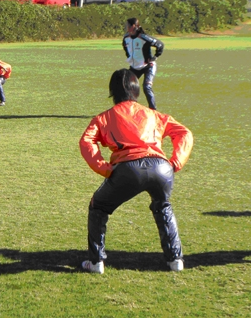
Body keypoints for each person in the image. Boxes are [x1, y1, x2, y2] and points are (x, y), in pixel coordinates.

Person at [79, 69, 193, 274]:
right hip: (161, 168)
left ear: (112, 93)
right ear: (137, 92)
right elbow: (184, 133)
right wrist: (175, 162)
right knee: (163, 206)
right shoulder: (154, 114)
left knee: (98, 206)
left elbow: (87, 141)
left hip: (127, 169)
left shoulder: (104, 118)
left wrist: (103, 167)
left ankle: (96, 261)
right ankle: (175, 260)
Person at [122, 18, 164, 110]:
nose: (126, 27)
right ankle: (130, 109)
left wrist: (155, 57)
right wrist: (129, 57)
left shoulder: (143, 37)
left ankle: (153, 111)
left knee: (146, 87)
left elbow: (160, 45)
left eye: (128, 25)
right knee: (127, 87)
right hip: (134, 67)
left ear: (133, 26)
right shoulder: (126, 38)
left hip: (148, 66)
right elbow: (125, 47)